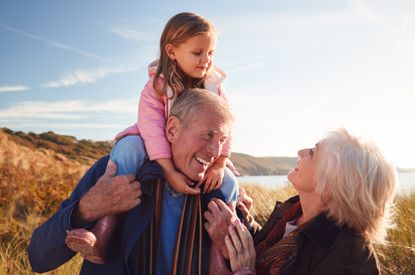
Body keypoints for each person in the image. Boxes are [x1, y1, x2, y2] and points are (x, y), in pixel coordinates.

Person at [65, 12, 238, 264]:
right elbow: (152, 127)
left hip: (194, 150)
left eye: (211, 53)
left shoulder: (215, 88)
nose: (206, 60)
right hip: (154, 142)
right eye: (198, 52)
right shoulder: (157, 86)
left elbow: (226, 127)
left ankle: (218, 258)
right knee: (127, 149)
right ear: (171, 51)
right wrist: (168, 169)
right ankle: (103, 227)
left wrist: (221, 162)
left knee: (229, 182)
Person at [28, 88, 239, 275]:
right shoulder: (113, 172)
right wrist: (86, 209)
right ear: (172, 130)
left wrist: (230, 248)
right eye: (207, 135)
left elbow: (254, 260)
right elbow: (39, 259)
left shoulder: (220, 192)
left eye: (222, 140)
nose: (215, 151)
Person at [204, 129, 398, 274]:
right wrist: (242, 221)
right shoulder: (294, 212)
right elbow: (274, 251)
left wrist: (245, 270)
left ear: (331, 184)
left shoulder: (349, 255)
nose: (300, 152)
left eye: (313, 153)